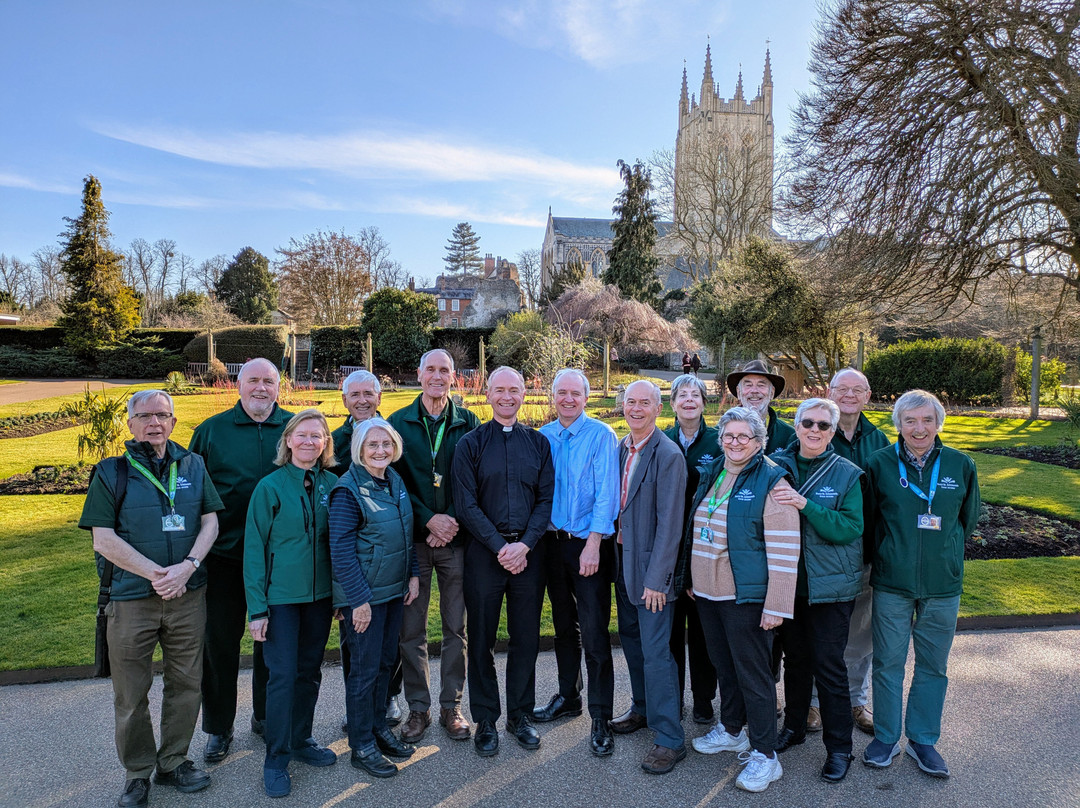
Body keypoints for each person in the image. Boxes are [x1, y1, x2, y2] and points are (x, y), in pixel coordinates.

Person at [80, 390, 222, 808]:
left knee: (186, 684)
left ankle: (174, 760)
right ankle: (138, 772)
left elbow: (210, 520)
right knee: (131, 692)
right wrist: (159, 575)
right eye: (144, 416)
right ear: (131, 424)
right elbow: (102, 539)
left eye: (162, 415)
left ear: (174, 422)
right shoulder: (111, 472)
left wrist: (188, 567)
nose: (154, 423)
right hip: (130, 600)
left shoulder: (193, 465)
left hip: (188, 596)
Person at [679, 406, 800, 793]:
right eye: (728, 436)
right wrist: (692, 579)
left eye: (743, 437)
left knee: (754, 675)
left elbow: (784, 549)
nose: (734, 443)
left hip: (745, 597)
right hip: (708, 593)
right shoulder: (713, 471)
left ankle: (766, 755)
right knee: (723, 666)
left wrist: (777, 604)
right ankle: (733, 729)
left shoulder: (771, 481)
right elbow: (699, 528)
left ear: (759, 441)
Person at [862, 390, 980, 778]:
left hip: (943, 585)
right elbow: (869, 520)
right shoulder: (879, 464)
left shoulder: (960, 465)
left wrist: (944, 557)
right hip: (892, 582)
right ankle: (885, 737)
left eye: (927, 420)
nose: (919, 428)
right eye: (910, 420)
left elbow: (968, 519)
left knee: (933, 666)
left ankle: (923, 740)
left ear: (938, 423)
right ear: (898, 424)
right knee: (887, 663)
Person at [189, 358, 294, 762]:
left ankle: (267, 717)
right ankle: (219, 727)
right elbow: (190, 492)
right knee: (220, 644)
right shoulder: (211, 432)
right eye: (254, 380)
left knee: (274, 643)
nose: (261, 388)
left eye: (269, 381)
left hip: (280, 562)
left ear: (278, 387)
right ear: (238, 384)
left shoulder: (293, 428)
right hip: (225, 557)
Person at [452, 367, 554, 757]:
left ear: (524, 394)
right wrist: (500, 547)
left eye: (515, 390)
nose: (507, 396)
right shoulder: (470, 444)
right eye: (500, 390)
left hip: (529, 554)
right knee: (481, 638)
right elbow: (466, 504)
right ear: (488, 393)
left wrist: (524, 545)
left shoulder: (539, 444)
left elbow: (546, 500)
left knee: (526, 637)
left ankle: (520, 715)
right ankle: (486, 720)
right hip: (486, 554)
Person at [244, 409, 339, 798]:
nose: (309, 442)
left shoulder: (334, 485)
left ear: (325, 445)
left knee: (309, 672)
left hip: (319, 600)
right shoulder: (269, 487)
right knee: (281, 678)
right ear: (287, 441)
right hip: (280, 600)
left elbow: (343, 544)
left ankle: (301, 740)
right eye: (302, 435)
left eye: (317, 437)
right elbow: (254, 550)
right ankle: (276, 758)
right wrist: (257, 609)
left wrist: (340, 596)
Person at [769, 398, 865, 783]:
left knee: (829, 667)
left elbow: (849, 528)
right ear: (796, 425)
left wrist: (806, 504)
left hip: (830, 588)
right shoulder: (775, 465)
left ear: (832, 431)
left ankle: (839, 748)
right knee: (795, 662)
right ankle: (793, 728)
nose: (814, 430)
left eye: (824, 425)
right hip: (789, 584)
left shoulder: (847, 473)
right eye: (807, 422)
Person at [388, 349, 479, 743]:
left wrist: (451, 520)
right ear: (419, 374)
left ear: (454, 377)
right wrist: (428, 519)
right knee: (412, 629)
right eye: (431, 369)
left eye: (445, 370)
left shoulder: (469, 423)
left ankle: (451, 707)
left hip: (456, 542)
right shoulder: (398, 423)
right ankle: (419, 709)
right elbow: (393, 482)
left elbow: (476, 481)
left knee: (456, 628)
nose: (437, 376)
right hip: (414, 543)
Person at [533, 368, 620, 757]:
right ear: (553, 397)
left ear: (586, 397)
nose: (568, 399)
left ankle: (601, 716)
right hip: (551, 545)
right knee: (564, 627)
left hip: (588, 544)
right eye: (561, 393)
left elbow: (607, 494)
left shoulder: (602, 436)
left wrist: (595, 543)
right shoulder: (543, 437)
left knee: (596, 631)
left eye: (575, 393)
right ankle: (569, 695)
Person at [330, 418, 421, 778]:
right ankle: (362, 744)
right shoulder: (348, 490)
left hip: (393, 591)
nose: (380, 450)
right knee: (364, 672)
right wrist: (358, 600)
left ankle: (380, 727)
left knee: (385, 665)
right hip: (366, 597)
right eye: (373, 445)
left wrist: (413, 573)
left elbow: (405, 530)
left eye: (386, 444)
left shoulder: (393, 480)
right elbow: (340, 550)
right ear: (359, 449)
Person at [609, 380, 688, 775]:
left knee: (657, 654)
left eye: (645, 403)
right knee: (634, 644)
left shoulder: (668, 454)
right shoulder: (624, 446)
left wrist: (658, 579)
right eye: (630, 402)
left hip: (651, 571)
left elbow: (671, 524)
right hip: (623, 562)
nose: (635, 409)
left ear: (659, 409)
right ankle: (642, 709)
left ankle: (670, 737)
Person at [823, 367, 890, 735]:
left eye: (857, 389)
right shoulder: (815, 430)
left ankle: (855, 700)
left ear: (867, 396)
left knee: (860, 634)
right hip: (820, 556)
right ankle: (816, 704)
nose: (849, 395)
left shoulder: (880, 441)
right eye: (842, 388)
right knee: (822, 634)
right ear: (829, 392)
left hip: (863, 553)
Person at [662, 374, 719, 725]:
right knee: (669, 631)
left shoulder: (718, 441)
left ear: (703, 403)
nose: (688, 401)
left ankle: (703, 699)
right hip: (668, 548)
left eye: (694, 395)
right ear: (672, 404)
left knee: (702, 631)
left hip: (704, 549)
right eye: (681, 395)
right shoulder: (661, 440)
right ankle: (672, 699)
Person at [726, 359, 795, 455]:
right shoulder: (721, 434)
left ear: (771, 393)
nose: (754, 390)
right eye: (748, 385)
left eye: (761, 385)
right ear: (738, 392)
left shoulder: (789, 436)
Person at [331, 370, 383, 475]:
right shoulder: (334, 441)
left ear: (379, 398)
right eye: (355, 395)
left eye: (368, 394)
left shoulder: (395, 435)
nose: (362, 401)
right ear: (345, 400)